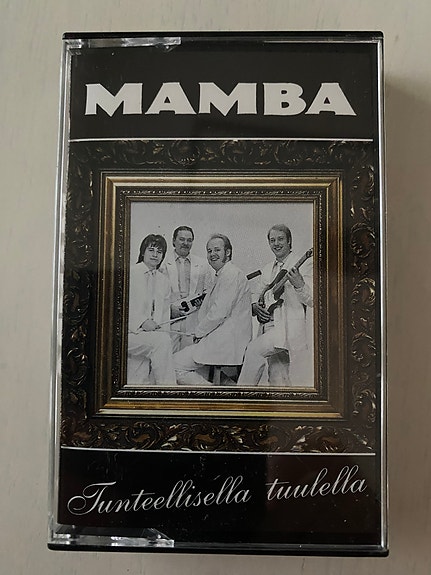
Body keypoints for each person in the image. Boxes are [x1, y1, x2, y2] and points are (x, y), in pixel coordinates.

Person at [237, 224, 313, 387]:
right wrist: (255, 306)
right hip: (268, 326)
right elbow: (257, 293)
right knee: (278, 379)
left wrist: (299, 284)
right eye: (272, 240)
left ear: (289, 241)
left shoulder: (304, 264)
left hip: (288, 329)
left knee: (253, 350)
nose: (276, 244)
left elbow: (312, 299)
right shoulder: (266, 269)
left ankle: (241, 394)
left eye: (280, 239)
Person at [173, 234, 252, 385]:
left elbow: (218, 313)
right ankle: (226, 389)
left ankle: (212, 393)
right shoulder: (223, 274)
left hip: (225, 342)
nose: (212, 254)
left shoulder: (231, 274)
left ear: (227, 252)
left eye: (217, 250)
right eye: (209, 251)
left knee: (172, 365)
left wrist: (199, 332)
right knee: (198, 369)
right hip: (223, 340)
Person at [127, 234, 176, 386]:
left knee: (139, 378)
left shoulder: (164, 281)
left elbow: (165, 313)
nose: (155, 255)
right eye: (151, 250)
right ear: (143, 252)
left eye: (159, 252)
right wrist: (142, 322)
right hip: (128, 333)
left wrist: (161, 330)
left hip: (150, 336)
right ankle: (169, 390)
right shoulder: (130, 273)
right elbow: (120, 306)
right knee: (161, 342)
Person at [161, 226, 213, 352]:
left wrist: (201, 301)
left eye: (189, 240)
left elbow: (209, 291)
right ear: (173, 241)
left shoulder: (203, 264)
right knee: (167, 357)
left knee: (190, 356)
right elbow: (155, 294)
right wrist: (169, 310)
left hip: (193, 320)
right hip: (170, 320)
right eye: (182, 239)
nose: (185, 243)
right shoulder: (162, 263)